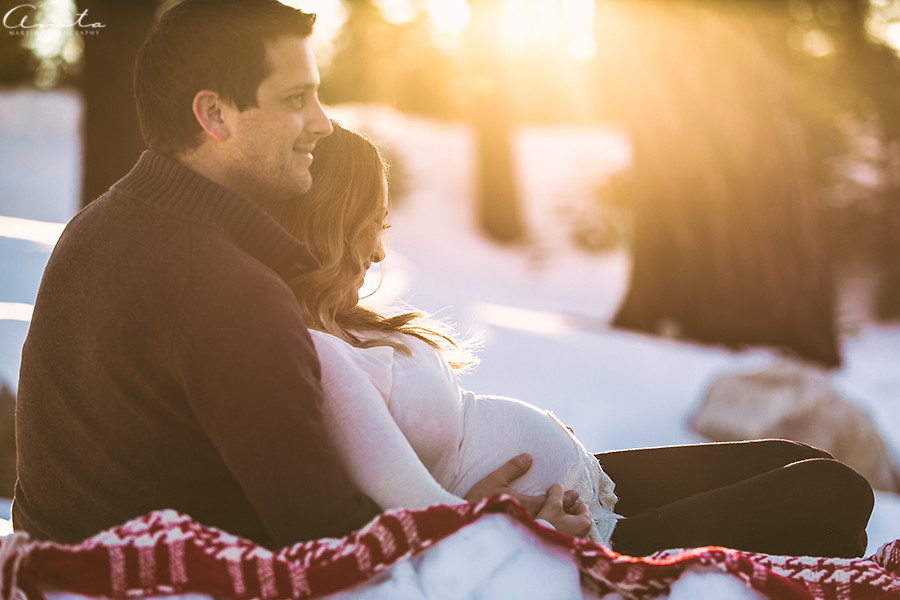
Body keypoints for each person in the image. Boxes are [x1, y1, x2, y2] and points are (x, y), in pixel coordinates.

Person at [12, 0, 550, 548]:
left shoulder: (94, 232)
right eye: (297, 99)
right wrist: (475, 524)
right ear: (215, 115)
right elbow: (327, 538)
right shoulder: (225, 289)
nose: (321, 123)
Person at [287, 122, 875, 556]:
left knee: (802, 462)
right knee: (832, 493)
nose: (381, 249)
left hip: (580, 490)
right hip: (562, 537)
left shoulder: (350, 326)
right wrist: (500, 521)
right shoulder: (318, 353)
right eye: (370, 223)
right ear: (329, 219)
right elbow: (398, 506)